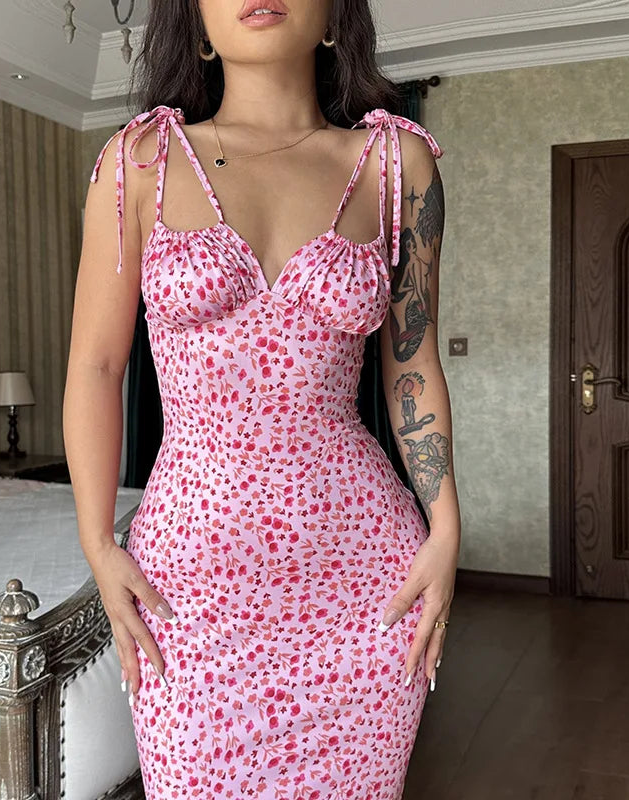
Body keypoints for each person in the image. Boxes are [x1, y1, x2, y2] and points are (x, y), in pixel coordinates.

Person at [63, 0, 462, 797]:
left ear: (334, 18)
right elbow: (97, 368)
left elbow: (410, 360)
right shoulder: (140, 162)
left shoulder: (396, 166)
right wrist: (99, 546)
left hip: (366, 581)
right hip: (191, 587)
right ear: (196, 24)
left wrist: (447, 526)